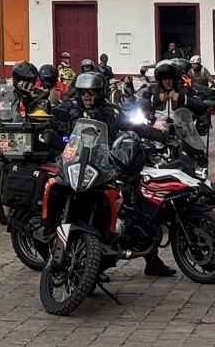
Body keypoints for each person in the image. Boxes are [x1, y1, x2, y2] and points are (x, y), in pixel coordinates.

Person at [55, 71, 175, 277]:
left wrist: (160, 135)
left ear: (100, 93)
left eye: (92, 92)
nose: (87, 96)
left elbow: (133, 125)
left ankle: (152, 259)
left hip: (104, 167)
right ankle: (87, 265)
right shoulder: (68, 110)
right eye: (84, 92)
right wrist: (57, 138)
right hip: (74, 167)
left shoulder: (110, 112)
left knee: (138, 204)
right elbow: (55, 131)